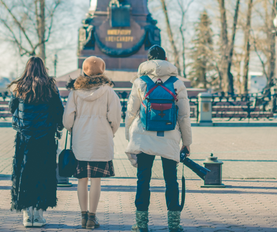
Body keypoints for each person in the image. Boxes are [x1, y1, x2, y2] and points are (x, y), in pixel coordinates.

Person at [125, 45, 193, 232]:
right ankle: (173, 224)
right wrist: (186, 143)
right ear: (165, 60)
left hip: (144, 137)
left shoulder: (140, 82)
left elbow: (131, 111)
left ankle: (141, 224)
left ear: (148, 60)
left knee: (143, 180)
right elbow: (184, 116)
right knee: (171, 180)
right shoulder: (177, 83)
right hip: (169, 137)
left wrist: (128, 135)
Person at [63, 56, 122, 229]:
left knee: (82, 179)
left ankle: (82, 216)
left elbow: (67, 119)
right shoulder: (109, 92)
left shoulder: (75, 92)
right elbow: (115, 118)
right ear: (102, 71)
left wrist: (73, 128)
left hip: (80, 140)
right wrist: (110, 131)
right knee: (96, 180)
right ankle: (92, 217)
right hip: (101, 139)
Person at [9, 56, 64, 227]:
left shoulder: (18, 87)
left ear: (27, 68)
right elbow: (59, 110)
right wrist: (59, 128)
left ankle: (27, 214)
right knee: (43, 173)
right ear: (43, 68)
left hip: (24, 138)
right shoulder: (50, 87)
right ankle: (39, 215)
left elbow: (13, 108)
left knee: (24, 173)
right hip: (45, 138)